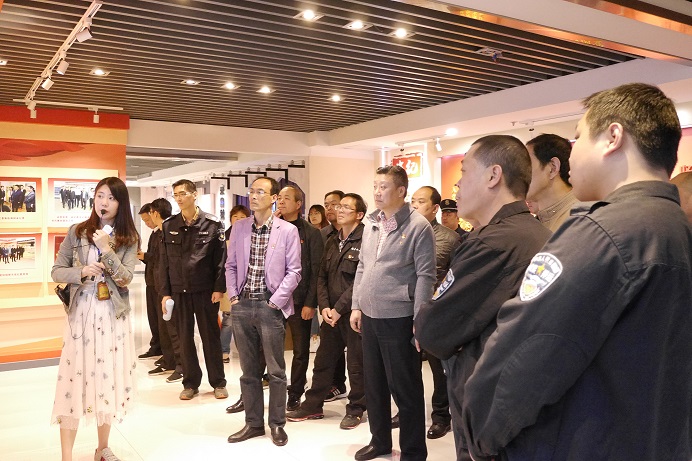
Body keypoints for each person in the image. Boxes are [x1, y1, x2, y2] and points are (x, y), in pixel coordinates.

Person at [462, 83, 692, 461]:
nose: (572, 153)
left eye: (579, 136)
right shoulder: (673, 225)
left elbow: (526, 353)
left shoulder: (602, 232)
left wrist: (479, 436)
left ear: (613, 137)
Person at [415, 135, 551, 460]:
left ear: (493, 175)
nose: (457, 185)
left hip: (488, 407)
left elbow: (432, 328)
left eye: (464, 172)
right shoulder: (538, 233)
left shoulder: (493, 243)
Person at [50, 176, 140, 461]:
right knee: (73, 380)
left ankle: (102, 448)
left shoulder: (129, 238)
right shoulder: (77, 232)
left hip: (112, 315)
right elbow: (56, 271)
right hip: (81, 313)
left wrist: (107, 250)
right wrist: (81, 272)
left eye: (111, 198)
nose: (104, 202)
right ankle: (66, 455)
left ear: (120, 204)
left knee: (106, 379)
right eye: (100, 195)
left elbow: (125, 279)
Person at [351, 165, 436, 461]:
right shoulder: (372, 222)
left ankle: (413, 451)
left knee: (405, 389)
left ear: (401, 191)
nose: (377, 192)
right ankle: (380, 441)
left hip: (399, 317)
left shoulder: (418, 226)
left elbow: (426, 275)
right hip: (370, 316)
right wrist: (356, 304)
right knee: (374, 385)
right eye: (375, 186)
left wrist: (419, 318)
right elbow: (363, 266)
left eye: (383, 186)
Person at [225, 176, 301, 447]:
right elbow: (230, 265)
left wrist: (276, 301)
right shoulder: (239, 227)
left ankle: (277, 424)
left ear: (273, 198)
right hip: (243, 305)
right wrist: (234, 297)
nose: (254, 196)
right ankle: (253, 423)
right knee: (248, 371)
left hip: (270, 306)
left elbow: (295, 271)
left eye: (260, 191)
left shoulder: (287, 230)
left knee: (276, 370)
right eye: (251, 191)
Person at [287, 193, 367, 429]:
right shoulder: (331, 239)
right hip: (330, 314)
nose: (339, 210)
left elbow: (361, 280)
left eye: (346, 208)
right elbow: (321, 276)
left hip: (353, 314)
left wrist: (339, 308)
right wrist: (325, 308)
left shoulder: (366, 240)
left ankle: (356, 408)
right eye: (338, 207)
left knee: (356, 365)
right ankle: (313, 405)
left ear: (359, 215)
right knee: (323, 361)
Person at [158, 179, 228, 401]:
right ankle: (190, 383)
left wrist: (219, 287)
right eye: (176, 195)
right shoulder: (169, 225)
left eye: (182, 194)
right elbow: (164, 262)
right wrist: (165, 293)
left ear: (194, 194)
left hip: (205, 290)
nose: (179, 198)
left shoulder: (213, 224)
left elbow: (221, 260)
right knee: (185, 339)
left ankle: (218, 382)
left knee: (210, 337)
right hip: (179, 291)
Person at [407, 185, 461, 440]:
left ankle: (441, 416)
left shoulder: (450, 239)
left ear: (435, 208)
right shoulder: (404, 233)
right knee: (407, 366)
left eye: (420, 201)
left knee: (439, 370)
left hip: (436, 311)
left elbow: (454, 277)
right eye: (412, 201)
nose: (414, 206)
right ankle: (409, 412)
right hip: (405, 308)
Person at [276, 185, 324, 411]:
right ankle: (268, 387)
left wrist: (310, 303)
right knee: (267, 348)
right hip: (273, 298)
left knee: (300, 350)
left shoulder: (311, 233)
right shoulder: (271, 227)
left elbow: (316, 270)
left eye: (287, 198)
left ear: (298, 204)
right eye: (279, 198)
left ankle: (295, 391)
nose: (281, 201)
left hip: (299, 299)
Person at [147, 198, 183, 383]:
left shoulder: (171, 232)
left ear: (155, 213)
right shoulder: (160, 233)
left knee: (175, 329)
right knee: (165, 327)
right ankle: (169, 360)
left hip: (172, 288)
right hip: (161, 287)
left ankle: (181, 366)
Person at [526, 133, 578, 231]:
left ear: (552, 168)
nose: (519, 174)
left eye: (526, 165)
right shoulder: (537, 223)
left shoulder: (579, 219)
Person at [221, 204, 251, 362]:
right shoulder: (223, 237)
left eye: (242, 217)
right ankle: (223, 350)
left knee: (245, 320)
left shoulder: (252, 235)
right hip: (229, 283)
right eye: (235, 217)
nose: (238, 220)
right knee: (229, 318)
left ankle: (245, 351)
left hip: (247, 283)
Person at [137, 204, 163, 361]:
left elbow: (160, 258)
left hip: (160, 283)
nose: (147, 223)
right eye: (144, 221)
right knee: (153, 318)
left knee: (161, 320)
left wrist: (145, 256)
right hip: (151, 281)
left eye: (148, 219)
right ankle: (156, 346)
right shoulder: (154, 234)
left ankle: (165, 352)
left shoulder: (163, 233)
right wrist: (144, 257)